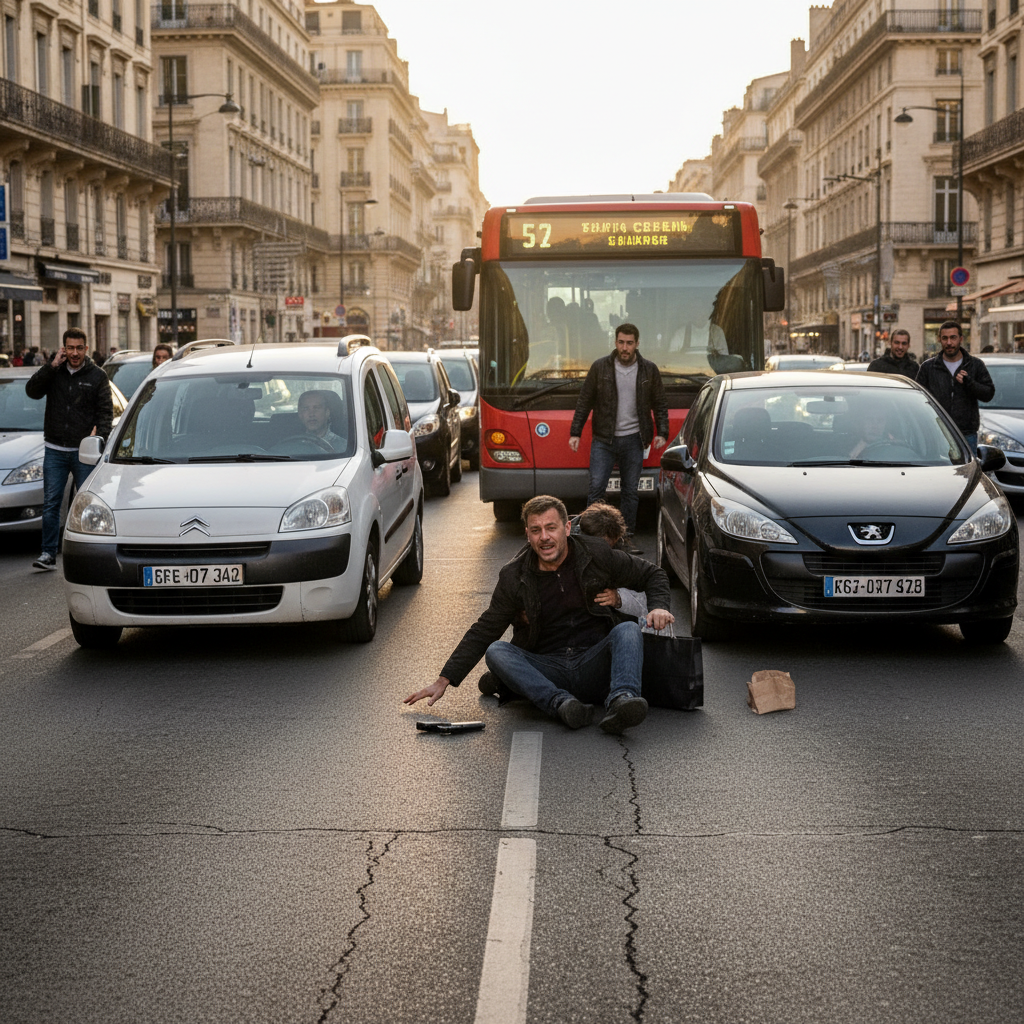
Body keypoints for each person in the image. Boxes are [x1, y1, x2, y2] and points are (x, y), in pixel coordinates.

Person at [404, 495, 674, 734]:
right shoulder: (514, 575)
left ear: (566, 528)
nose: (544, 537)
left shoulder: (596, 553)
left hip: (595, 662)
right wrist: (445, 679)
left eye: (551, 528)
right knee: (497, 651)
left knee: (627, 630)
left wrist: (659, 606)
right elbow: (485, 628)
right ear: (528, 535)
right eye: (536, 530)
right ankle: (561, 704)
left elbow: (653, 574)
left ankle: (622, 701)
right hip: (548, 667)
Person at [568, 323, 669, 553]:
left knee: (630, 492)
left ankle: (625, 539)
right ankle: (591, 540)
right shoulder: (600, 367)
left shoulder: (649, 370)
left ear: (637, 344)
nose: (625, 348)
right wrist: (575, 432)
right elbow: (584, 401)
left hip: (634, 440)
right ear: (615, 342)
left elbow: (660, 403)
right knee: (596, 489)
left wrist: (662, 432)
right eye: (621, 342)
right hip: (604, 440)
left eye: (629, 343)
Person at [25, 328, 113, 570]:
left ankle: (91, 554)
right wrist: (51, 366)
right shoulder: (54, 371)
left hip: (84, 451)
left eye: (79, 348)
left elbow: (105, 413)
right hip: (55, 449)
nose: (75, 353)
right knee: (51, 502)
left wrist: (99, 440)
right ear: (63, 348)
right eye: (70, 348)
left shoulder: (97, 376)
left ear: (86, 348)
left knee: (88, 503)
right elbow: (32, 391)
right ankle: (48, 553)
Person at [916, 320, 995, 455]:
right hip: (936, 433)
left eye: (953, 338)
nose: (949, 342)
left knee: (967, 468)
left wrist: (969, 383)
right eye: (945, 338)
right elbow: (917, 399)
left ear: (961, 339)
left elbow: (988, 393)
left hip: (966, 434)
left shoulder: (975, 365)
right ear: (939, 340)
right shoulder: (928, 367)